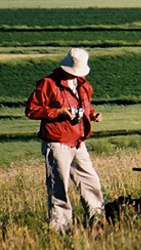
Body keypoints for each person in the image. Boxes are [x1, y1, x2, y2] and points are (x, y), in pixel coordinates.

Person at [25, 47, 105, 232]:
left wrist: (92, 114)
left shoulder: (83, 84)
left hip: (78, 141)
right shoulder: (48, 84)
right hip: (57, 142)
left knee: (90, 181)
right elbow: (31, 110)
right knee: (59, 187)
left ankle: (98, 219)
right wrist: (57, 112)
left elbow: (85, 106)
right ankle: (61, 228)